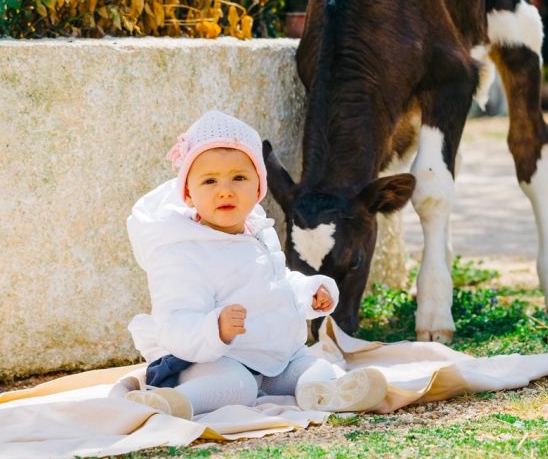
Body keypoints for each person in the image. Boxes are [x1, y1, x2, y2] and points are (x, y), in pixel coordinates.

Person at [112, 110, 387, 419]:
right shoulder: (182, 251)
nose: (225, 190)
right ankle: (174, 402)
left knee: (314, 364)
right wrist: (215, 327)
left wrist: (309, 292)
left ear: (259, 188)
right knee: (237, 386)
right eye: (210, 180)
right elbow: (175, 319)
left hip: (267, 355)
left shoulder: (258, 233)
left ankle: (326, 393)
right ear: (188, 194)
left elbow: (274, 285)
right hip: (205, 360)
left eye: (239, 177)